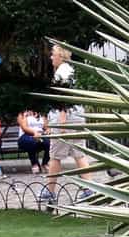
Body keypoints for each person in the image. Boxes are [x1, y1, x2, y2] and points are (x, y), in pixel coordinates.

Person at [42, 43, 95, 209]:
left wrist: (62, 121)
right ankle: (88, 188)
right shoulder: (69, 69)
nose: (51, 57)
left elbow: (64, 96)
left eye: (53, 54)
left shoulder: (62, 71)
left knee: (55, 155)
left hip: (65, 117)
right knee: (79, 152)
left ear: (60, 55)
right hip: (76, 116)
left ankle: (50, 190)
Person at [17, 108, 50, 173]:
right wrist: (34, 132)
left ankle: (45, 163)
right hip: (25, 135)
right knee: (32, 142)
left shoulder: (41, 114)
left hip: (40, 135)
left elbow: (46, 127)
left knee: (49, 143)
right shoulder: (22, 113)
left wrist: (47, 131)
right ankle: (34, 164)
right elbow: (24, 127)